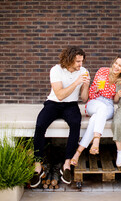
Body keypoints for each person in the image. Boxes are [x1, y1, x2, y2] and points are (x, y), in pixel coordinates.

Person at [30, 46, 90, 187]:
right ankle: (37, 165)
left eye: (82, 61)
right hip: (54, 103)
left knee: (75, 124)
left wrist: (86, 86)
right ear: (68, 60)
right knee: (40, 125)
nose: (81, 65)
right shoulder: (56, 70)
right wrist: (76, 82)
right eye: (77, 62)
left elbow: (84, 99)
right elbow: (60, 95)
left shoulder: (84, 71)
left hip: (71, 105)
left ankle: (67, 164)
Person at [70, 55, 121, 167]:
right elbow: (91, 95)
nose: (116, 66)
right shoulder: (102, 71)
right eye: (116, 63)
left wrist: (118, 94)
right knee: (100, 109)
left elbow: (116, 100)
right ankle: (96, 140)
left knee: (95, 119)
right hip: (94, 102)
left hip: (109, 105)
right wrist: (98, 88)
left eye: (120, 65)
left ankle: (77, 153)